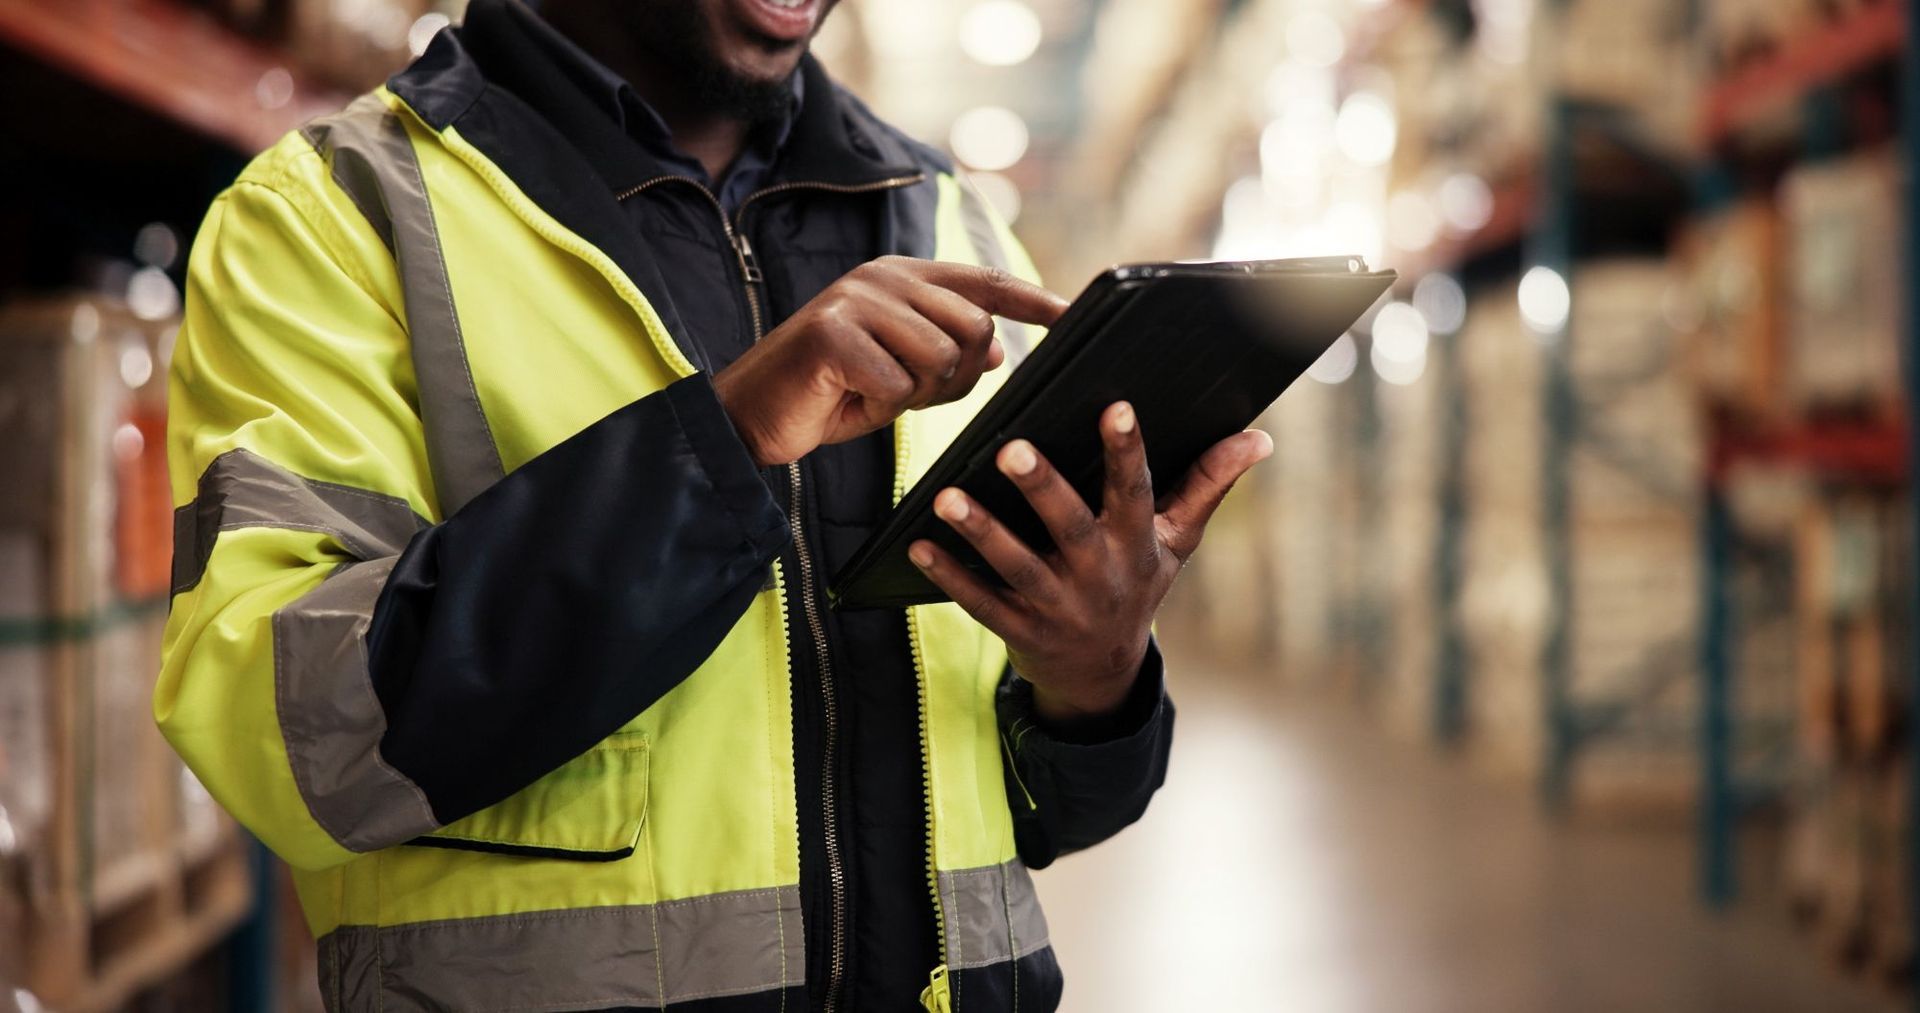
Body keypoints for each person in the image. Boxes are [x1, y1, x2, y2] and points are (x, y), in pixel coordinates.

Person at [155, 0, 1272, 1009]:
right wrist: (723, 444)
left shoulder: (952, 221)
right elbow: (290, 744)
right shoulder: (334, 217)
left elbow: (1039, 817)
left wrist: (1095, 684)